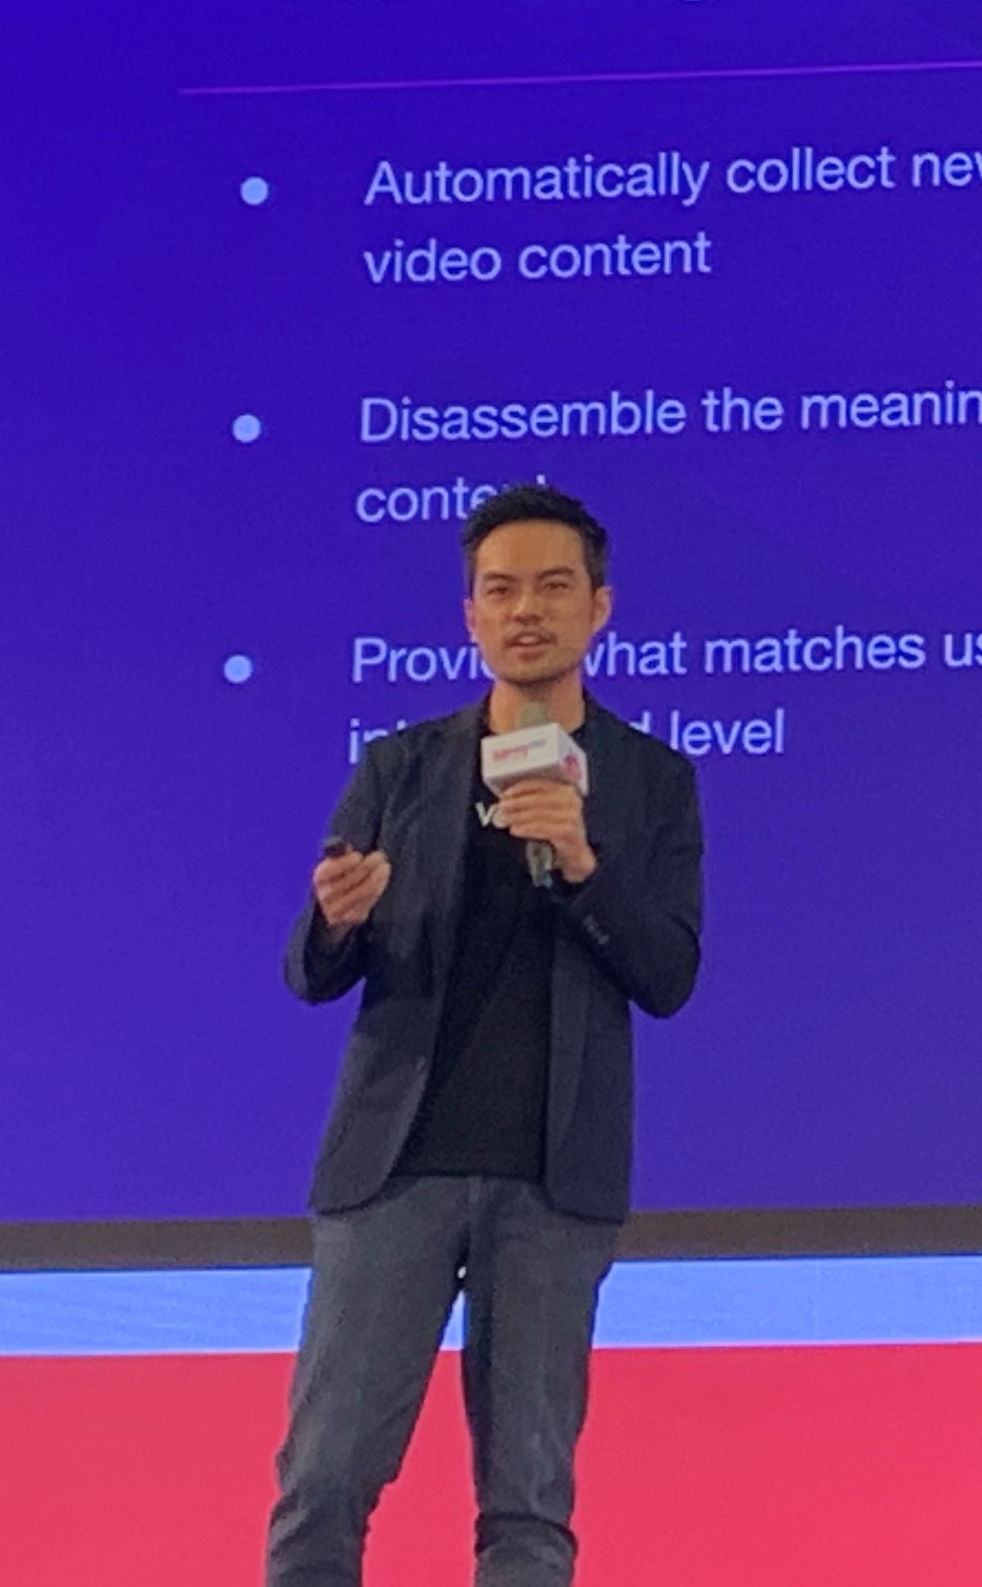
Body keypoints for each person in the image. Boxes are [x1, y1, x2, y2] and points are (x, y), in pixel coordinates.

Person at [265, 482, 706, 1587]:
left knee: (527, 1505)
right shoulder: (400, 766)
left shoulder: (652, 780)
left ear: (599, 605)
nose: (526, 610)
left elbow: (669, 974)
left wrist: (585, 863)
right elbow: (312, 971)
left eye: (553, 586)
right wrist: (334, 919)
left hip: (553, 1181)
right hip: (393, 1170)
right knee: (324, 1477)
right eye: (500, 591)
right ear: (469, 615)